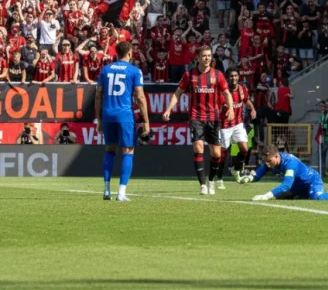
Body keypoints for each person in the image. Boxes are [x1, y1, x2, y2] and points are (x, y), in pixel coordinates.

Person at [162, 46, 234, 196]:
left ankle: (212, 181)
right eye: (204, 56)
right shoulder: (190, 75)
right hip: (196, 117)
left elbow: (227, 92)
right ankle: (202, 184)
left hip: (213, 118)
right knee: (198, 148)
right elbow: (178, 93)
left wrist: (231, 109)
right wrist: (169, 109)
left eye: (209, 56)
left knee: (216, 154)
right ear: (198, 58)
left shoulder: (218, 75)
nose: (207, 58)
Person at [96, 41, 150, 202]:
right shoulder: (134, 71)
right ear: (130, 53)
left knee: (110, 150)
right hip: (125, 115)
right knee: (128, 151)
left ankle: (106, 190)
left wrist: (99, 119)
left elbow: (98, 95)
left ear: (116, 54)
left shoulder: (105, 70)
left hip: (107, 114)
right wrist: (146, 121)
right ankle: (121, 193)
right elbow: (140, 97)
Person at [238, 148, 328, 201]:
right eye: (266, 162)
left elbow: (286, 185)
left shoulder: (290, 163)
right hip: (297, 186)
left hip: (312, 181)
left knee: (317, 197)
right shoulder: (271, 161)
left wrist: (266, 196)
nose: (268, 165)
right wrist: (248, 178)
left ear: (277, 156)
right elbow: (258, 174)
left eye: (269, 161)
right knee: (282, 198)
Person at [224, 68, 257, 183]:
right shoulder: (224, 90)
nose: (234, 78)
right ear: (227, 78)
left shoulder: (243, 89)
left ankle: (236, 169)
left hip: (238, 123)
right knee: (220, 153)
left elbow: (246, 100)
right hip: (225, 124)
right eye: (231, 76)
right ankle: (215, 176)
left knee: (244, 148)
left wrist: (252, 109)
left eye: (236, 76)